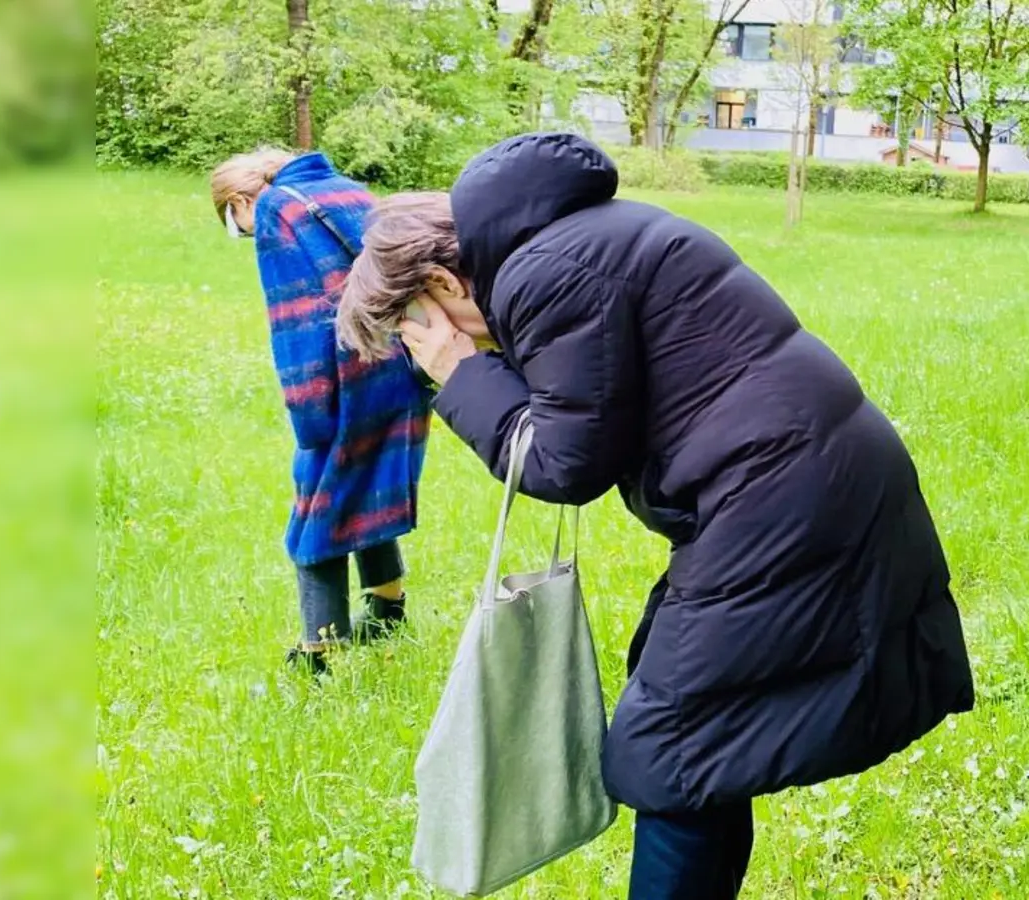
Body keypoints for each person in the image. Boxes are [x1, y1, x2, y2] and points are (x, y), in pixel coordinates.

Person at [337, 132, 974, 898]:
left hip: (781, 500)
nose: (427, 344)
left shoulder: (543, 275)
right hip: (799, 485)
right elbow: (591, 416)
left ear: (442, 281)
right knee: (698, 738)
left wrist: (459, 374)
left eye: (412, 325)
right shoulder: (573, 243)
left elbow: (564, 465)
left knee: (672, 750)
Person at [210, 149, 431, 675]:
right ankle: (387, 606)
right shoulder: (346, 188)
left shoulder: (275, 211)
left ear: (241, 202)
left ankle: (318, 651)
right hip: (404, 362)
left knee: (317, 510)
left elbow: (299, 324)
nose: (243, 230)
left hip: (346, 378)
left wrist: (309, 417)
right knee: (370, 485)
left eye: (232, 223)